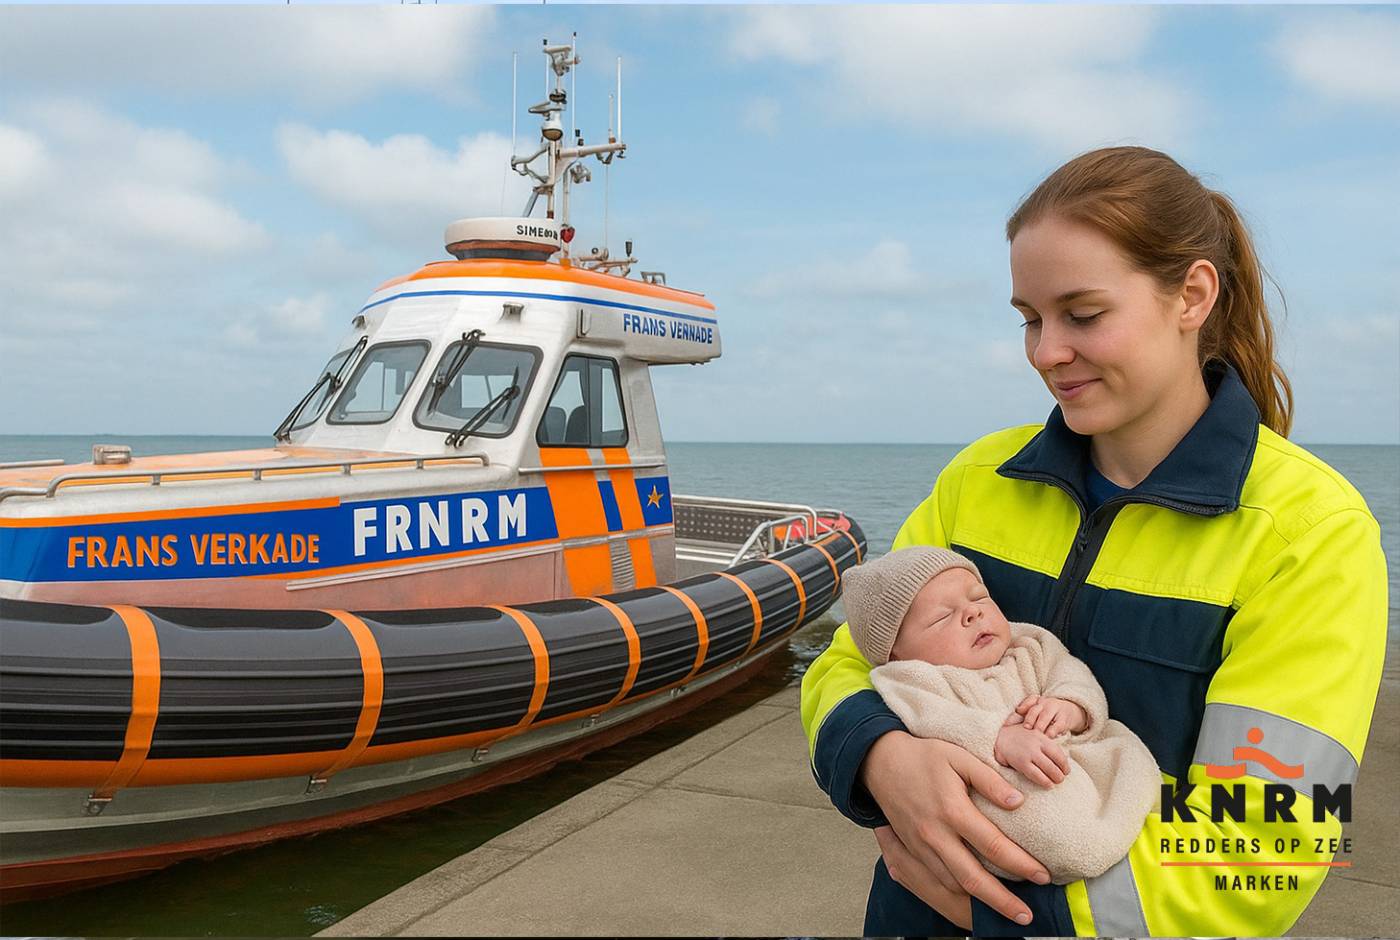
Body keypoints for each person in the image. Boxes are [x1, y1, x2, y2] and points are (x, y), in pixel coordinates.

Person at [800, 146, 1388, 936]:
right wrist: (880, 754)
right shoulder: (976, 481)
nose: (1046, 351)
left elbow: (1268, 844)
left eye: (1082, 314)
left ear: (1193, 295)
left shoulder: (1310, 533)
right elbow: (848, 661)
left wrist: (1020, 916)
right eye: (1030, 319)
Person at [842, 545, 1160, 884]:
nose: (972, 613)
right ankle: (1079, 848)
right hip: (999, 782)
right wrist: (997, 736)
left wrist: (1070, 706)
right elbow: (934, 718)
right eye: (941, 617)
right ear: (896, 653)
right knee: (1045, 821)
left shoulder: (1029, 643)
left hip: (1071, 758)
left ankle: (1127, 827)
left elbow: (1070, 672)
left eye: (979, 598)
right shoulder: (911, 679)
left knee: (1130, 758)